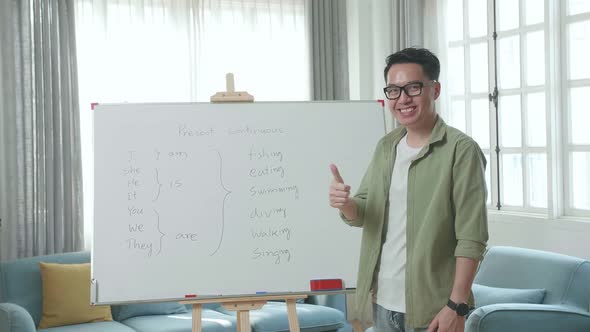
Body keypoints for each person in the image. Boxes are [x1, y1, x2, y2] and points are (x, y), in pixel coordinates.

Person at [329, 47, 489, 332]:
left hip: (435, 308)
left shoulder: (461, 151)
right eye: (394, 90)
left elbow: (471, 237)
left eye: (413, 88)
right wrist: (346, 204)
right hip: (382, 301)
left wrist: (456, 305)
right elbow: (367, 211)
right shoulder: (386, 146)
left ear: (435, 89)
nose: (403, 98)